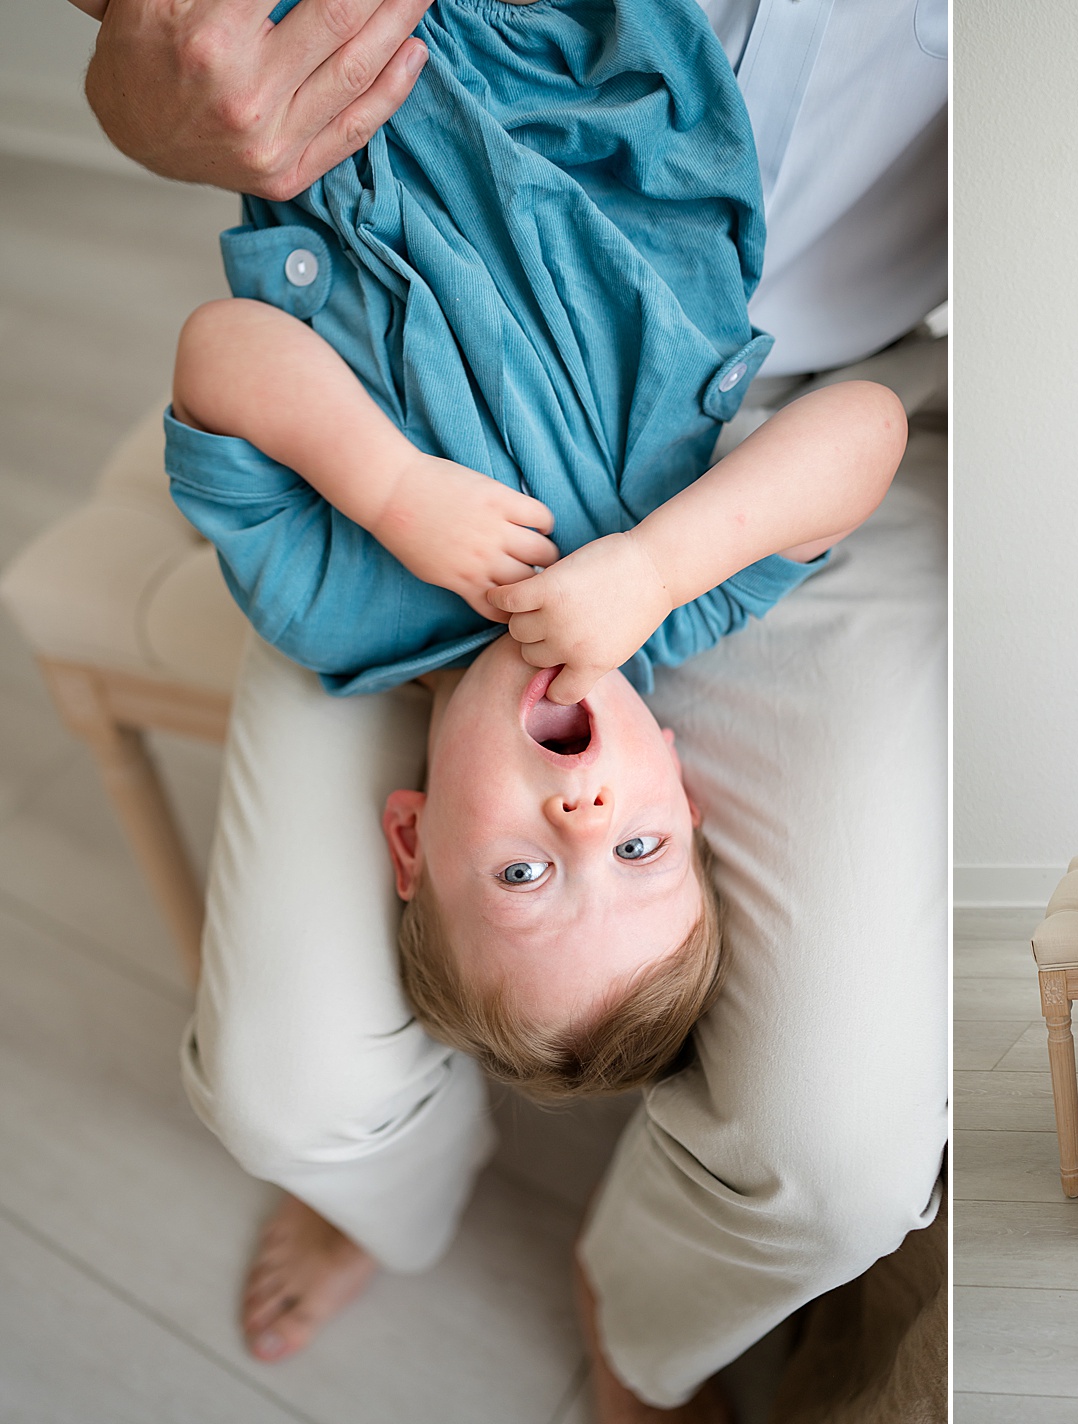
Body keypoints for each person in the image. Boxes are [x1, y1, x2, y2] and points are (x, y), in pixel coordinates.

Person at [81, 0, 947, 1418]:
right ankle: (418, 1212)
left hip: (384, 76)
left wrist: (388, 489)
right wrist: (667, 560)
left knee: (276, 1089)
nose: (583, 810)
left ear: (407, 839)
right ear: (677, 772)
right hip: (610, 75)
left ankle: (393, 1209)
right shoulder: (672, 589)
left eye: (530, 870)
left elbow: (222, 355)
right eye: (640, 850)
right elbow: (865, 434)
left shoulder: (348, 611)